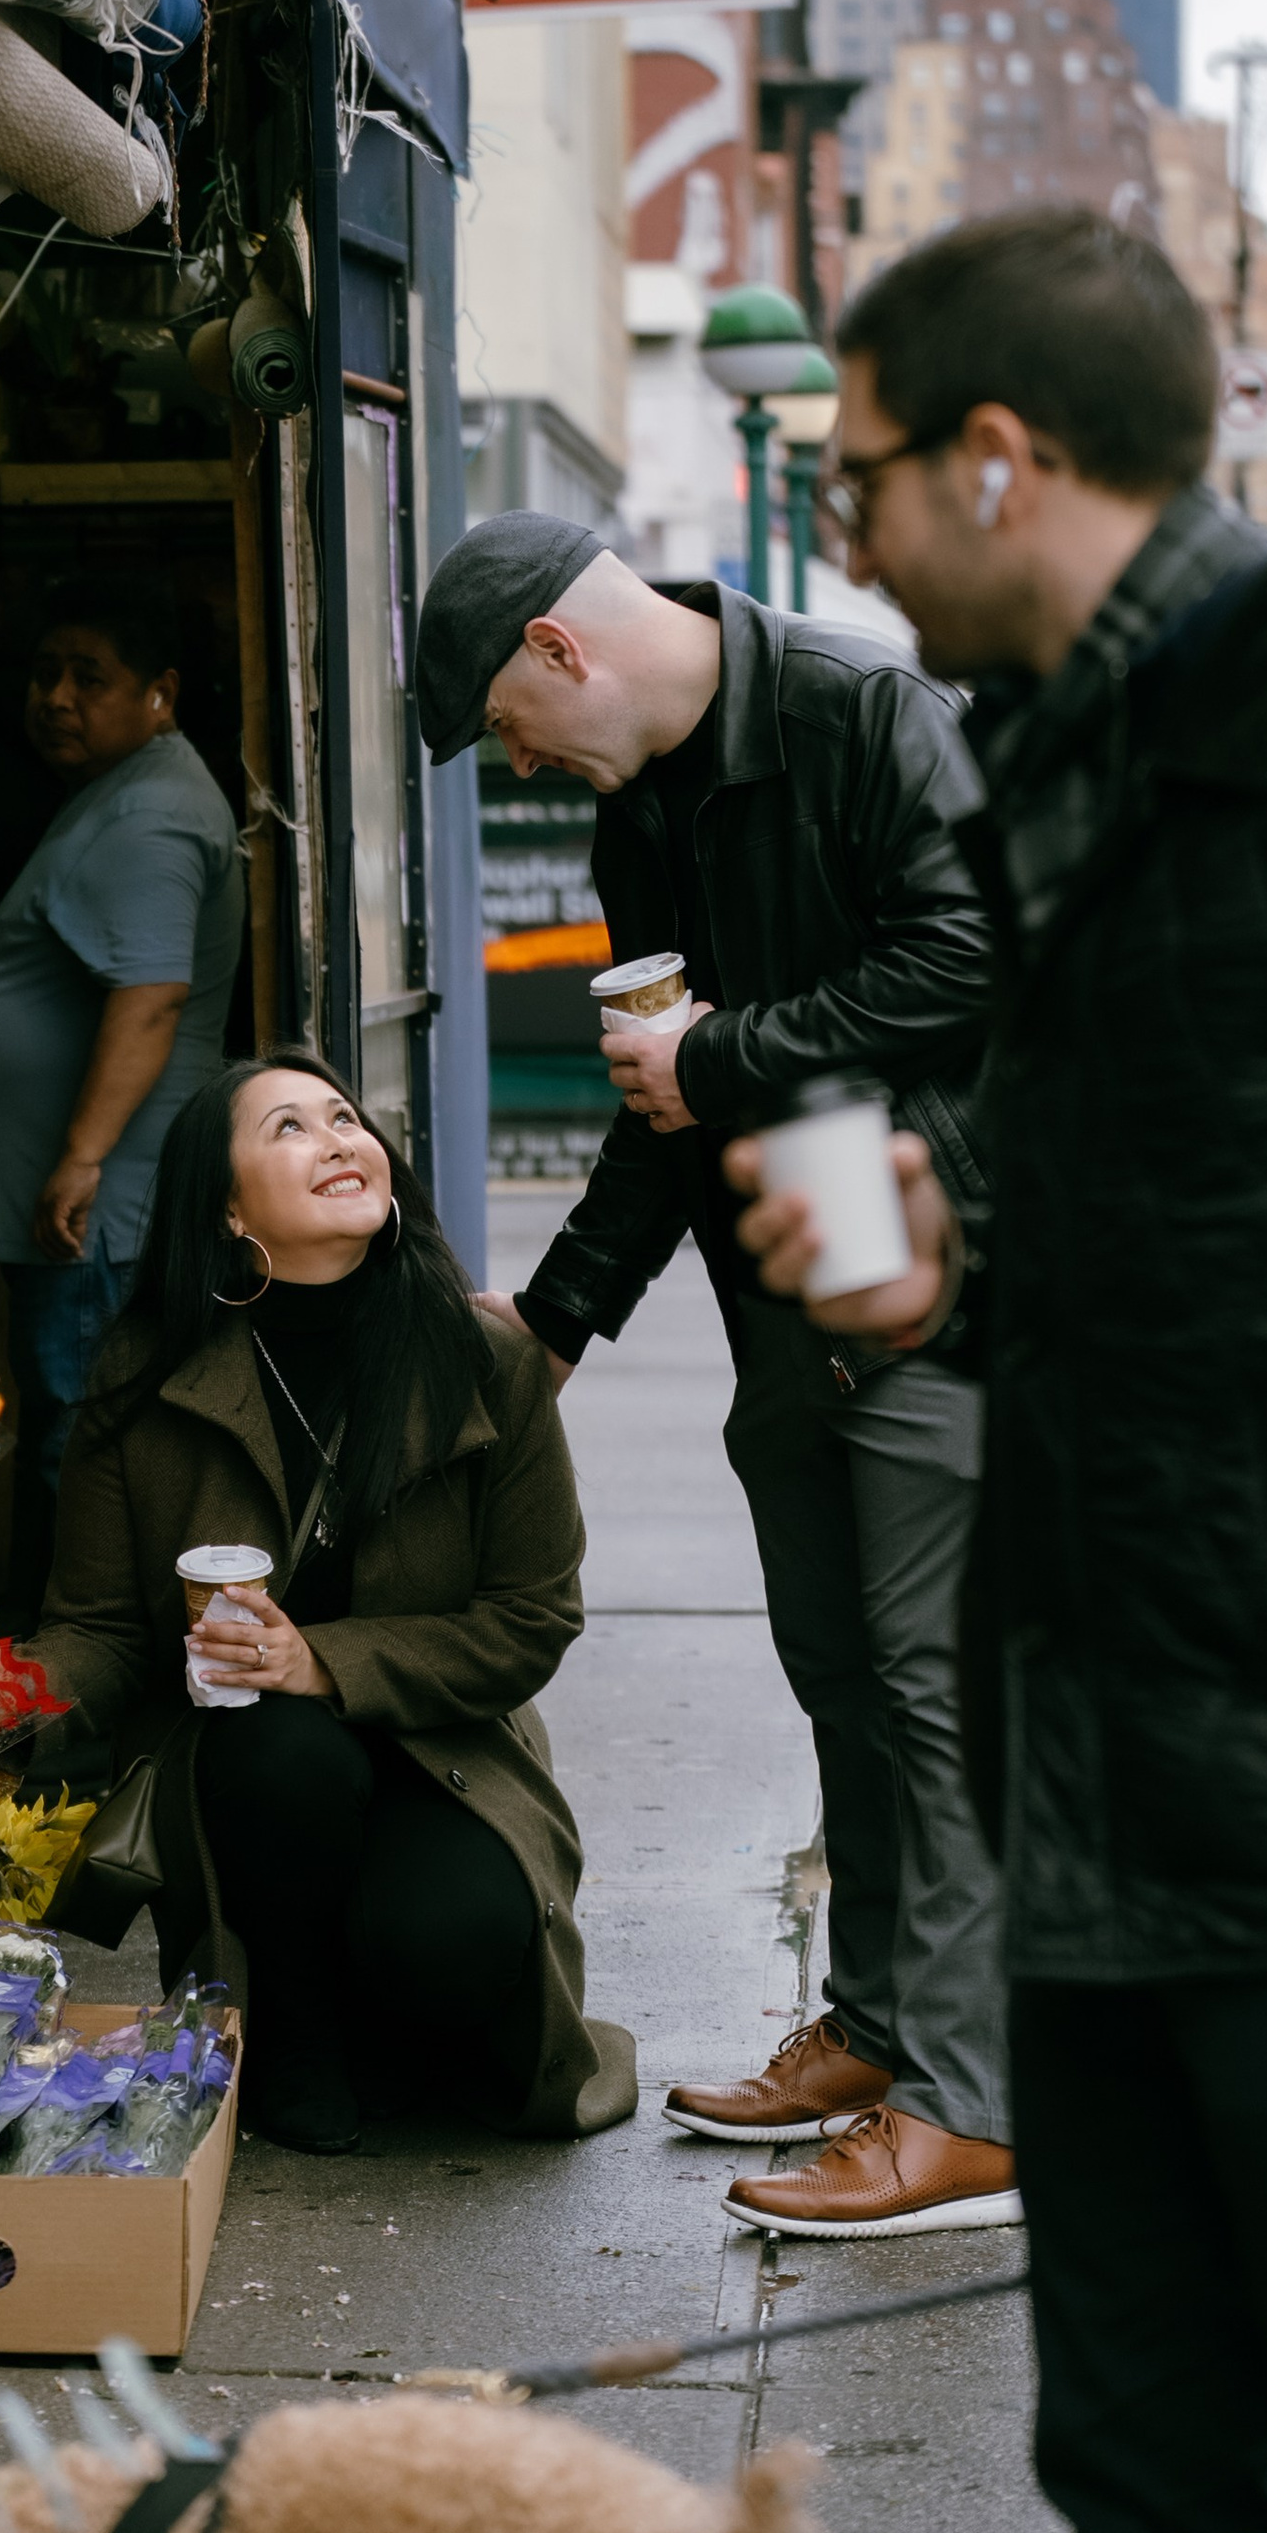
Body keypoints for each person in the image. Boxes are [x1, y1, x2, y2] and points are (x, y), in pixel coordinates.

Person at [731, 200, 1267, 2533]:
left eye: (858, 468)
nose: (840, 523)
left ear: (1002, 456)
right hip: (1103, 1797)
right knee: (1156, 2504)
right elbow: (1167, 1219)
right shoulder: (1067, 759)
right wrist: (950, 1268)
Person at [414, 512, 1016, 2238]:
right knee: (844, 1670)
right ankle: (890, 2027)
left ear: (560, 648)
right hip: (788, 1282)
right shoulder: (644, 803)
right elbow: (660, 1104)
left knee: (927, 1689)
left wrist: (726, 1051)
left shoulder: (869, 709)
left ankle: (975, 2109)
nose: (518, 764)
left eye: (509, 725)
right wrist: (557, 1323)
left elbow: (979, 962)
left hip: (928, 1272)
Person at [24, 1050, 637, 2158]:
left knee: (455, 1939)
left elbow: (530, 1617)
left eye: (344, 1117)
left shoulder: (484, 1357)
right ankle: (292, 2038)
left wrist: (325, 1660)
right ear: (224, 1206)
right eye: (290, 1128)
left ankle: (390, 2023)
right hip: (249, 1774)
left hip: (437, 1742)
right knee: (276, 1747)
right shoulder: (144, 1374)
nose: (338, 1139)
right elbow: (104, 1627)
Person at [0, 572, 243, 1622]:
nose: (57, 697)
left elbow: (150, 997)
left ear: (158, 691)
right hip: (99, 1196)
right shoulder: (131, 791)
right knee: (85, 1431)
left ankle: (80, 1701)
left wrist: (78, 1157)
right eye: (45, 674)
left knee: (84, 1439)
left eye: (89, 677)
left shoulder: (152, 810)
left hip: (99, 1206)